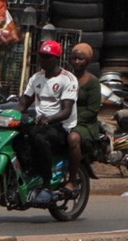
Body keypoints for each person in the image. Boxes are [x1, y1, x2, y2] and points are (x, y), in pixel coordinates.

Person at [20, 39, 79, 207]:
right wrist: (5, 113)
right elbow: (24, 102)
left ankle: (46, 184)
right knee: (19, 135)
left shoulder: (68, 79)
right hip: (41, 124)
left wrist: (49, 119)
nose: (43, 60)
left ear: (56, 59)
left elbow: (67, 110)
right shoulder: (36, 78)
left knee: (38, 138)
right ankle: (27, 172)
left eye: (48, 56)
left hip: (61, 126)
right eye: (42, 56)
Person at [65, 41, 103, 171]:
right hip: (65, 118)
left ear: (87, 61)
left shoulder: (93, 82)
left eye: (80, 59)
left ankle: (73, 177)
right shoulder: (66, 78)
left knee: (73, 138)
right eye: (74, 58)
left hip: (85, 124)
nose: (76, 61)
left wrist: (73, 121)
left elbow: (93, 110)